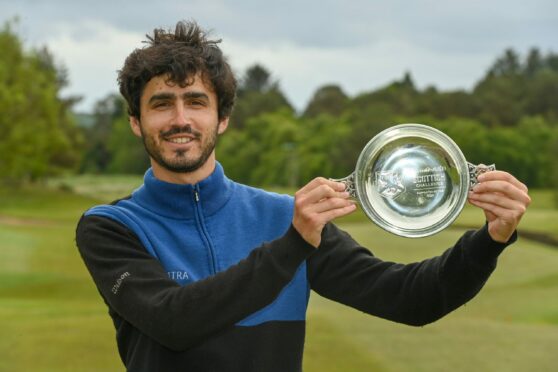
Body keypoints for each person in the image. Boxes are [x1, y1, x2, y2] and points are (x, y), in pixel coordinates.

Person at [75, 20, 531, 372]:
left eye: (196, 102)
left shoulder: (283, 218)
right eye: (161, 104)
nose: (180, 119)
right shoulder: (110, 227)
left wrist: (490, 240)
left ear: (222, 118)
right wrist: (293, 244)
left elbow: (411, 300)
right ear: (136, 121)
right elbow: (174, 323)